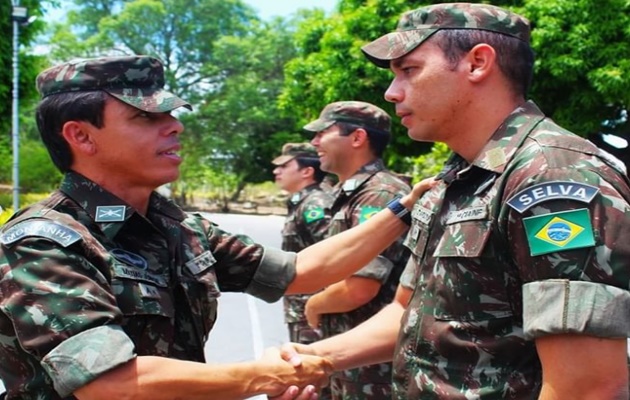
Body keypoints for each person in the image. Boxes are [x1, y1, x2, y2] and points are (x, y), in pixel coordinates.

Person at [0, 55, 437, 400]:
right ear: (80, 136)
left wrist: (403, 208)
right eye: (145, 118)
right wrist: (263, 376)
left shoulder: (173, 225)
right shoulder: (41, 242)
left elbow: (301, 270)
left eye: (170, 114)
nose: (175, 126)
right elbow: (112, 383)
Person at [282, 3, 630, 399]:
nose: (391, 93)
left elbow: (589, 387)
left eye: (409, 70)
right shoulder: (454, 178)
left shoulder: (552, 175)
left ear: (477, 63)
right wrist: (316, 358)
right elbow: (409, 313)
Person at [303, 101, 411, 399]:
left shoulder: (380, 194)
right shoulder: (352, 192)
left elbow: (360, 288)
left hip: (372, 365)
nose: (314, 142)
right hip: (350, 355)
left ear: (357, 138)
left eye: (322, 132)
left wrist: (314, 304)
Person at [272, 143, 332, 347]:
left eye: (284, 166)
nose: (276, 171)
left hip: (314, 309)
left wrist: (321, 303)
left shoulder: (314, 204)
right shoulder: (302, 202)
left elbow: (332, 254)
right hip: (301, 307)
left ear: (307, 171)